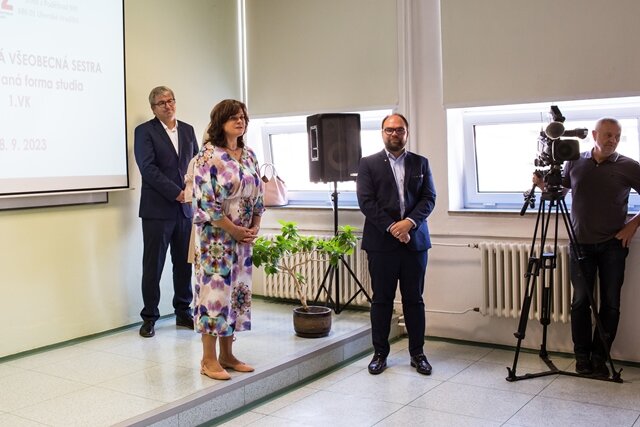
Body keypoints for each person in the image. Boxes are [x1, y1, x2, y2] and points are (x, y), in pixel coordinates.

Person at [533, 117, 640, 377]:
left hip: (613, 245)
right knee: (580, 302)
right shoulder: (574, 161)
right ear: (594, 135)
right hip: (579, 243)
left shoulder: (629, 166)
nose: (613, 140)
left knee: (610, 303)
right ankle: (581, 357)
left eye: (617, 136)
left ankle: (599, 358)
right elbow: (562, 192)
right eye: (608, 135)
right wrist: (542, 185)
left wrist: (633, 225)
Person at [356, 113, 437, 375]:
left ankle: (418, 354)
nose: (394, 134)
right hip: (381, 244)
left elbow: (429, 198)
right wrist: (394, 227)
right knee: (382, 301)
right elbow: (366, 202)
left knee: (414, 300)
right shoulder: (368, 164)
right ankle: (380, 354)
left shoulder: (420, 163)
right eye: (389, 130)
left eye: (399, 130)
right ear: (382, 133)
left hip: (415, 243)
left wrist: (409, 223)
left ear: (407, 133)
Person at [191, 99, 264, 380]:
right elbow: (205, 203)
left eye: (243, 116)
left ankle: (228, 355)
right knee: (215, 296)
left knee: (236, 294)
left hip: (243, 239)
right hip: (216, 240)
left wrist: (254, 225)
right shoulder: (207, 156)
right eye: (233, 117)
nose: (240, 121)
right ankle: (208, 359)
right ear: (220, 121)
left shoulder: (250, 155)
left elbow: (258, 195)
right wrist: (233, 229)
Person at [133, 86, 199, 338]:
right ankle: (149, 317)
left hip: (185, 211)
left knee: (183, 266)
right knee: (154, 266)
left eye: (171, 100)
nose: (168, 105)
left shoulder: (188, 130)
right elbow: (148, 168)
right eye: (162, 102)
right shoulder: (144, 131)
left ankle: (183, 312)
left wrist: (190, 192)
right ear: (153, 108)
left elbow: (196, 164)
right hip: (157, 210)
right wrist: (176, 192)